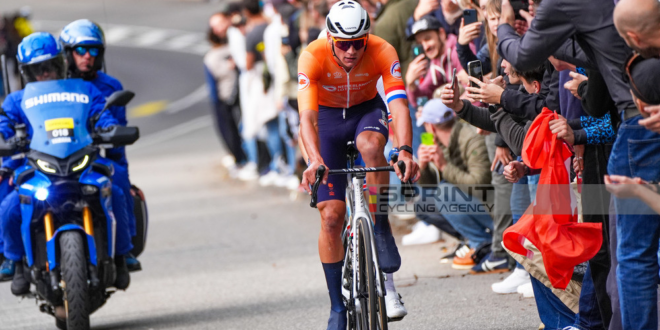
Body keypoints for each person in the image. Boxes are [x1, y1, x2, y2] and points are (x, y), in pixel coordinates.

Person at [297, 2, 420, 328]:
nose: (351, 51)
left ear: (367, 37)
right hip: (327, 121)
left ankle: (379, 225)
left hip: (365, 112)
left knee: (370, 145)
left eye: (358, 43)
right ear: (331, 38)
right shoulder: (312, 55)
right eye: (343, 44)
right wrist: (315, 159)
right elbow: (306, 118)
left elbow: (399, 103)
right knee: (332, 217)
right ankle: (337, 306)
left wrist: (405, 150)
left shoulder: (382, 49)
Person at [0, 32, 133, 295]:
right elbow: (3, 124)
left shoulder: (84, 90)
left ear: (61, 63)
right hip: (38, 167)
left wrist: (108, 128)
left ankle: (121, 257)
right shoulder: (16, 100)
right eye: (38, 69)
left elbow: (101, 113)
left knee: (115, 192)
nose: (45, 74)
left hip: (81, 162)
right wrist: (6, 138)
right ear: (25, 72)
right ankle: (15, 261)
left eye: (50, 66)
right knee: (9, 207)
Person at [58, 19, 142, 272]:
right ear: (67, 53)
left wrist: (119, 164)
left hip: (93, 158)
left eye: (93, 50)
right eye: (80, 50)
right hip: (57, 156)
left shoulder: (110, 86)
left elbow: (117, 130)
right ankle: (15, 258)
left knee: (118, 182)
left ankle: (124, 250)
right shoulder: (54, 83)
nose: (87, 56)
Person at [415, 99, 494, 271]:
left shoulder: (472, 138)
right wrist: (423, 166)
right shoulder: (438, 141)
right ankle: (474, 240)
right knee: (423, 204)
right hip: (473, 200)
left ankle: (483, 243)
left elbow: (480, 184)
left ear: (431, 127)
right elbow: (429, 188)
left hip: (492, 204)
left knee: (444, 191)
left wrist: (443, 166)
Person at [205, 13, 247, 176]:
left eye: (220, 23)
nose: (218, 29)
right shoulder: (211, 57)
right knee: (230, 129)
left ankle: (244, 158)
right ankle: (239, 158)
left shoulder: (237, 39)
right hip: (226, 98)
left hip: (240, 93)